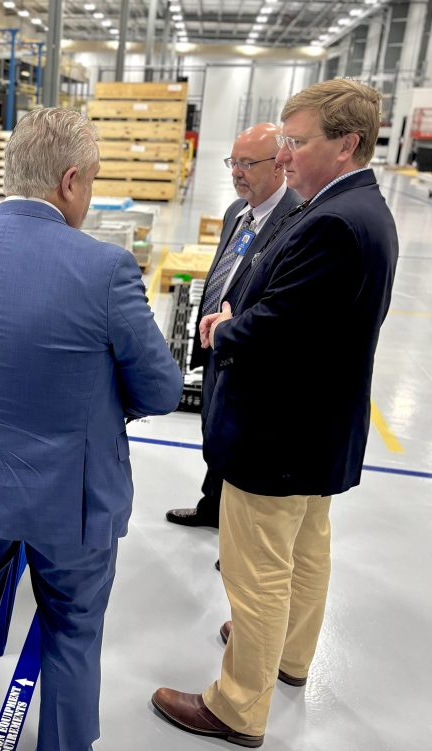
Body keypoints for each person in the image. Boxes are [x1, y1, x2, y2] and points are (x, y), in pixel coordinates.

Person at [0, 107, 183, 751]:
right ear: (70, 181)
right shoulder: (105, 269)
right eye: (92, 181)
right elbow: (162, 390)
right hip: (70, 497)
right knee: (72, 626)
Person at [152, 79, 398, 747]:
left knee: (256, 570)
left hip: (278, 433)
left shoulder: (331, 224)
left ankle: (236, 706)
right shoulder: (361, 210)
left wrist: (225, 328)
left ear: (346, 144)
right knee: (307, 549)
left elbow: (279, 328)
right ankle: (289, 656)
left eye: (296, 142)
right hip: (319, 429)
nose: (284, 155)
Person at [166, 123, 302, 530]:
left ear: (278, 165)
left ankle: (238, 538)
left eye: (247, 163)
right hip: (218, 344)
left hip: (249, 353)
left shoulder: (294, 219)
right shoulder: (237, 213)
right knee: (214, 430)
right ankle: (212, 507)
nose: (237, 172)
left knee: (240, 443)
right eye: (233, 162)